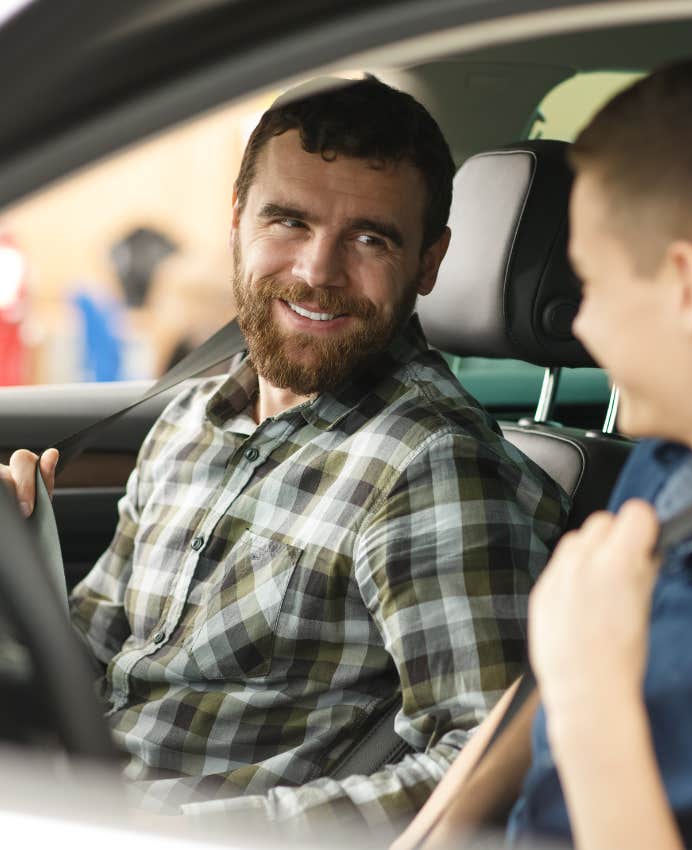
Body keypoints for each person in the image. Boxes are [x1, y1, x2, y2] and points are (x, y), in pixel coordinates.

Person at [0, 78, 569, 833]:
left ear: (429, 263)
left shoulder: (432, 465)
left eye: (371, 238)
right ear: (238, 222)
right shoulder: (192, 420)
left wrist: (203, 833)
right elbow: (101, 658)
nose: (317, 272)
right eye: (289, 222)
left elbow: (484, 764)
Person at [396, 36, 692, 850]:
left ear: (689, 289)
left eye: (593, 285)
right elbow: (538, 688)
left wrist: (593, 691)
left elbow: (573, 666)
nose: (581, 324)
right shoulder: (679, 464)